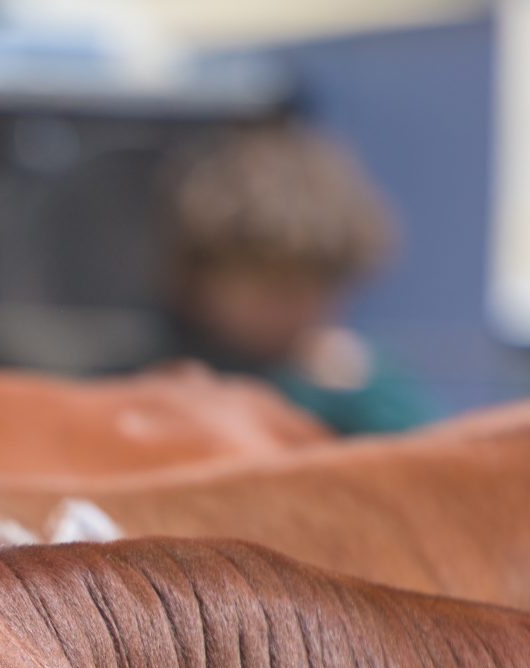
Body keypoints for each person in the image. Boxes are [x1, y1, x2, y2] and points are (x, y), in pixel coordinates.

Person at [155, 122, 432, 435]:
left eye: (307, 288)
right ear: (201, 280)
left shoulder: (360, 382)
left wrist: (356, 395)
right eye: (267, 285)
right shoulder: (158, 374)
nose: (282, 308)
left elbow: (431, 453)